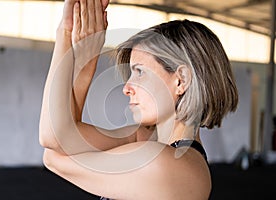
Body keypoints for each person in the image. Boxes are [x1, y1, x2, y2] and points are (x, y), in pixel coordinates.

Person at [39, 0, 238, 199]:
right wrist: (83, 64)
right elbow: (57, 139)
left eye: (140, 72)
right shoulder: (144, 140)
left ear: (181, 80)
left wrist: (65, 35)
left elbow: (53, 156)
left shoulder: (169, 164)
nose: (126, 88)